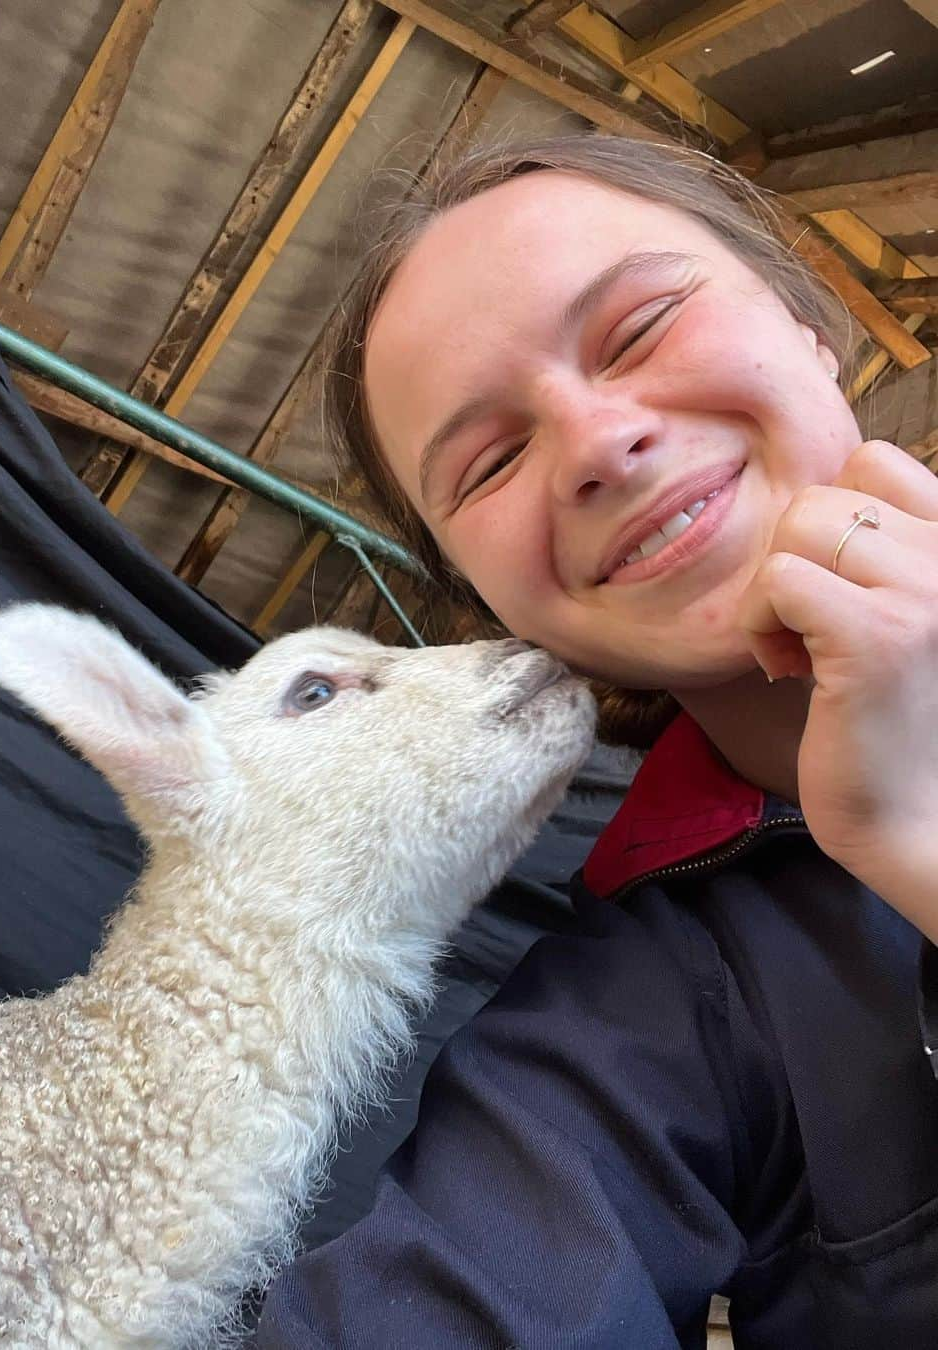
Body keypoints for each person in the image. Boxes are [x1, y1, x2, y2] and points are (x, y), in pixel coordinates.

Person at [255, 135, 938, 1348]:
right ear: (489, 607)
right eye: (492, 460)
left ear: (806, 325)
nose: (595, 443)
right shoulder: (633, 1000)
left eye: (639, 328)